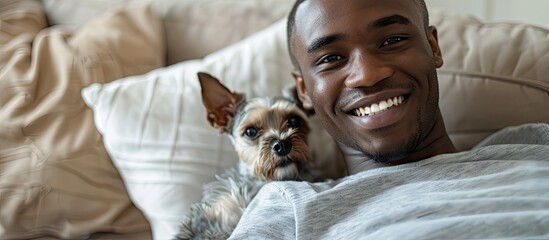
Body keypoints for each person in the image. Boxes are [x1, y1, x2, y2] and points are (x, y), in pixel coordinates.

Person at [229, 0, 549, 239]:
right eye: (330, 59)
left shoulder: (534, 143)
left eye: (392, 40)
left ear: (433, 46)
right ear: (303, 91)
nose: (367, 75)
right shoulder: (286, 207)